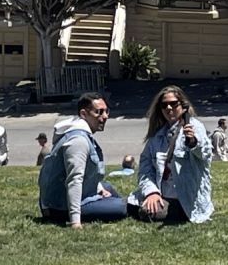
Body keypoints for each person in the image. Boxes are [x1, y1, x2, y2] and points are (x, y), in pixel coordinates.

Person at [37, 93, 126, 228]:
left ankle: (109, 202)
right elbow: (74, 180)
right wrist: (75, 221)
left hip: (60, 199)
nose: (105, 116)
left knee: (106, 186)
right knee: (122, 207)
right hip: (59, 207)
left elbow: (87, 174)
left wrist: (99, 189)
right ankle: (129, 206)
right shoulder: (78, 140)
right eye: (99, 112)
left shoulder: (80, 134)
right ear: (84, 114)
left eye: (106, 111)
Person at [128, 85, 214, 224]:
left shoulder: (194, 127)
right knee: (127, 204)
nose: (168, 108)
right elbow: (145, 168)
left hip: (185, 198)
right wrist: (151, 192)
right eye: (164, 105)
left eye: (173, 104)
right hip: (160, 192)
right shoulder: (157, 136)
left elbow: (205, 153)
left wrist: (192, 142)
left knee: (147, 212)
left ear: (183, 106)